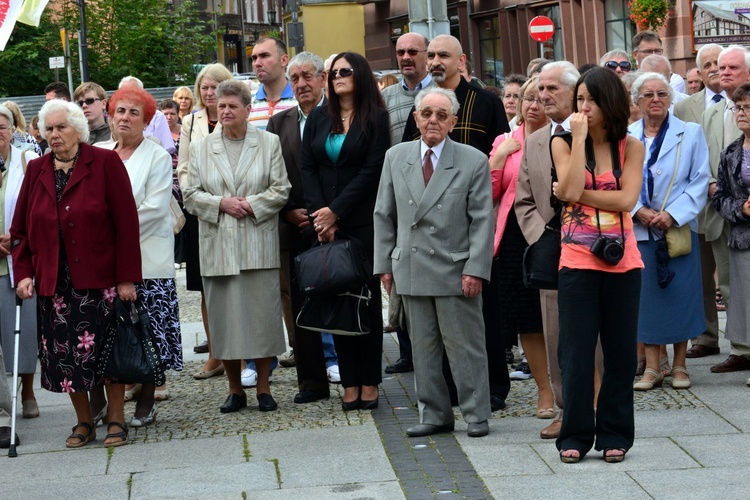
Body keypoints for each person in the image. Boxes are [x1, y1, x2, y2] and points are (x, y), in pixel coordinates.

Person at [11, 99, 142, 448]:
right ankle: (84, 421)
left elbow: (126, 225)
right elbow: (21, 230)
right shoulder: (36, 170)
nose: (54, 135)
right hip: (55, 283)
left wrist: (127, 277)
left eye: (61, 128)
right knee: (67, 357)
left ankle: (116, 419)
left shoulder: (104, 163)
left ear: (78, 130)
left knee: (108, 352)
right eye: (49, 129)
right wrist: (24, 273)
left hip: (100, 280)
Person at [374, 87, 493, 437]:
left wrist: (475, 269)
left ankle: (476, 415)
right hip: (410, 268)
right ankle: (434, 414)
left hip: (456, 270)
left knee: (465, 349)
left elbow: (483, 220)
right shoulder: (396, 156)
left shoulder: (473, 160)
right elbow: (384, 213)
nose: (433, 121)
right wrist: (385, 264)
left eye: (442, 115)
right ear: (415, 118)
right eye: (426, 113)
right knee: (423, 350)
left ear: (453, 122)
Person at [551, 67, 645, 463]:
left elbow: (626, 201)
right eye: (579, 100)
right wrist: (580, 140)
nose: (583, 107)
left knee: (621, 354)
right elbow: (566, 190)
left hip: (624, 262)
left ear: (609, 103)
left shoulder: (631, 146)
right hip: (576, 263)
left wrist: (579, 194)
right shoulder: (563, 141)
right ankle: (574, 434)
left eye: (590, 100)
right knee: (576, 352)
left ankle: (615, 435)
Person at [183, 79, 290, 414]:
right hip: (219, 246)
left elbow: (281, 188)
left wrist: (252, 205)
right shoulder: (201, 148)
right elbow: (190, 195)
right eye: (220, 106)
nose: (225, 111)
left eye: (232, 106)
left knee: (262, 319)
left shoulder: (269, 142)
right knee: (225, 321)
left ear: (247, 109)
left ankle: (262, 388)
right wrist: (221, 204)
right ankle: (233, 390)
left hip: (258, 242)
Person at [300, 51, 390, 411]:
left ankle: (370, 380)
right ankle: (349, 381)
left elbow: (373, 170)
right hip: (325, 226)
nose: (337, 77)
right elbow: (308, 167)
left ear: (360, 75)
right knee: (335, 301)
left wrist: (336, 211)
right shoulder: (319, 117)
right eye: (332, 72)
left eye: (345, 71)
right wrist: (320, 217)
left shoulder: (376, 118)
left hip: (362, 222)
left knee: (365, 304)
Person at [515, 61, 588, 441]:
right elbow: (523, 202)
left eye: (551, 89)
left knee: (596, 335)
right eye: (539, 89)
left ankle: (597, 405)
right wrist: (542, 239)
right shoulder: (534, 141)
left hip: (593, 249)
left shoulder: (595, 133)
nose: (542, 96)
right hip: (552, 254)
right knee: (557, 333)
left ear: (574, 92)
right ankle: (565, 409)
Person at [103, 85, 182, 425]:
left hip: (146, 256)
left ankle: (147, 397)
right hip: (106, 260)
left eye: (134, 113)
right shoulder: (99, 151)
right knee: (113, 332)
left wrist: (110, 236)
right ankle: (117, 394)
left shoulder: (158, 156)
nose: (125, 117)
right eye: (120, 110)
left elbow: (152, 209)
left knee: (148, 330)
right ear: (110, 115)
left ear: (147, 121)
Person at [629, 72, 709, 391]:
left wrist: (673, 214)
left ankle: (679, 365)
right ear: (637, 102)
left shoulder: (690, 133)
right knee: (646, 299)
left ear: (670, 98)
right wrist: (637, 210)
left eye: (662, 93)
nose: (656, 100)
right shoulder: (628, 135)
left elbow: (700, 179)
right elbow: (620, 179)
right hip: (641, 231)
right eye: (648, 95)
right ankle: (651, 367)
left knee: (680, 296)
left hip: (677, 229)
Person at [267, 51, 340, 402]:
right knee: (300, 305)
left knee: (341, 296)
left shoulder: (341, 116)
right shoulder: (278, 124)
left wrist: (332, 212)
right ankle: (310, 381)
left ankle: (347, 369)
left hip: (337, 224)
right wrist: (285, 212)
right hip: (295, 226)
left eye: (307, 76)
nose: (301, 84)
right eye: (294, 78)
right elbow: (268, 177)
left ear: (323, 78)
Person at [488, 77, 554, 419]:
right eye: (528, 98)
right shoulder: (505, 141)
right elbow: (490, 193)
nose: (533, 105)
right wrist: (498, 158)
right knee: (526, 318)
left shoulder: (562, 138)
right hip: (514, 238)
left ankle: (566, 385)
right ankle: (544, 390)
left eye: (540, 99)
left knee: (558, 315)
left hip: (553, 231)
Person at [176, 63, 234, 375]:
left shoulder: (235, 113)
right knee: (206, 286)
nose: (209, 93)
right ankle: (215, 354)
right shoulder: (191, 121)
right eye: (204, 87)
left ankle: (242, 351)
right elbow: (183, 167)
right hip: (201, 212)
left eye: (214, 86)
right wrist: (196, 198)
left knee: (237, 283)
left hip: (235, 209)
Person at [674, 43, 726, 360]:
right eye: (706, 64)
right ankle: (707, 337)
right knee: (701, 274)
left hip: (737, 205)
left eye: (718, 63)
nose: (713, 69)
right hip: (698, 204)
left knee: (736, 275)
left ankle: (742, 339)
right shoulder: (684, 108)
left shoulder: (742, 99)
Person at [700, 46, 750, 372]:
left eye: (732, 67)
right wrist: (712, 185)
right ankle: (742, 348)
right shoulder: (713, 111)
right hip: (727, 214)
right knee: (731, 284)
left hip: (740, 211)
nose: (724, 72)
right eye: (721, 67)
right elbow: (706, 157)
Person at [402, 35, 509, 156]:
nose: (435, 62)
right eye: (431, 56)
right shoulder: (421, 107)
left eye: (443, 55)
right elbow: (408, 156)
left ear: (461, 61)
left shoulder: (487, 102)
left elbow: (503, 152)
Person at [0, 106, 40, 419]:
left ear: (13, 129)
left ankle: (27, 391)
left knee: (24, 331)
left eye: (1, 126)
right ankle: (3, 399)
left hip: (19, 259)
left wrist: (13, 236)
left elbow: (36, 209)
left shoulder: (27, 162)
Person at [713, 82, 750, 387]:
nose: (741, 113)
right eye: (738, 107)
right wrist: (743, 209)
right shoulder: (730, 153)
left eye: (748, 107)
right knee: (745, 302)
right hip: (743, 237)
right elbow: (720, 198)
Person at [382, 33, 433, 145]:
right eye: (400, 52)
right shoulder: (385, 97)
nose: (405, 57)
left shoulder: (442, 92)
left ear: (427, 56)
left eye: (412, 52)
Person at [249, 37, 298, 130]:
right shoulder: (246, 102)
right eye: (254, 58)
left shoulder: (300, 100)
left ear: (283, 60)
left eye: (264, 56)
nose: (257, 63)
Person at [118, 76, 175, 154]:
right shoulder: (115, 116)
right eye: (124, 92)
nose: (129, 96)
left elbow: (165, 149)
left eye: (133, 92)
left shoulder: (157, 116)